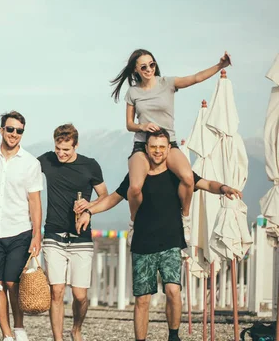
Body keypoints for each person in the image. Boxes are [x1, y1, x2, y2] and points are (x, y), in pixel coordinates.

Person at [75, 129, 242, 341]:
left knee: (173, 290)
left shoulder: (176, 174)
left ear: (168, 149)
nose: (157, 151)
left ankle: (173, 336)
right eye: (153, 147)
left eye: (162, 147)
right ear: (146, 148)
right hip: (143, 243)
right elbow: (114, 198)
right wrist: (89, 211)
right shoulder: (137, 176)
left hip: (171, 241)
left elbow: (207, 184)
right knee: (142, 299)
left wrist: (225, 188)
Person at [110, 49, 231, 230]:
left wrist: (220, 65)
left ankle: (186, 218)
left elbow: (196, 78)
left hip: (168, 143)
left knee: (188, 177)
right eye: (144, 67)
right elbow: (129, 124)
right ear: (136, 70)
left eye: (152, 64)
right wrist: (142, 126)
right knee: (134, 187)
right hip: (142, 146)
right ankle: (134, 222)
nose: (149, 69)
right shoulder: (133, 93)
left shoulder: (167, 83)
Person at [37, 123, 108, 341]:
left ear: (75, 145)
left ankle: (76, 328)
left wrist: (89, 208)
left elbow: (105, 196)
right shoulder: (46, 160)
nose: (61, 154)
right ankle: (58, 338)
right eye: (58, 148)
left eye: (66, 150)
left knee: (80, 295)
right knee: (56, 291)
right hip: (53, 235)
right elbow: (20, 164)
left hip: (81, 237)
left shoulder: (90, 165)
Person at [0, 111, 43, 341]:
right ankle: (7, 334)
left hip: (20, 230)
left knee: (12, 281)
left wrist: (36, 235)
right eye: (10, 129)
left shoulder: (31, 163)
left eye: (19, 131)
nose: (14, 134)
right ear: (1, 131)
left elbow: (35, 202)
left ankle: (19, 327)